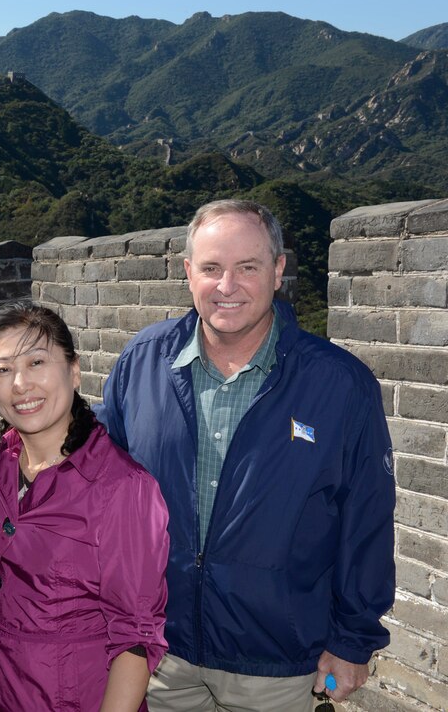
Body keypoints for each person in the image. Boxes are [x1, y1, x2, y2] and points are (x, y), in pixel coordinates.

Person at [96, 199, 395, 710]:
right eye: (211, 268)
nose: (226, 286)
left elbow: (365, 518)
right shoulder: (142, 362)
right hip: (158, 654)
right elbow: (97, 479)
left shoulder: (339, 384)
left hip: (276, 662)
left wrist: (352, 641)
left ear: (278, 271)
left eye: (247, 267)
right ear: (188, 273)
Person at [0, 302, 169, 712]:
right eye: (3, 370)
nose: (20, 384)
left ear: (74, 370)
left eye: (37, 362)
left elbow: (135, 638)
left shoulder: (122, 489)